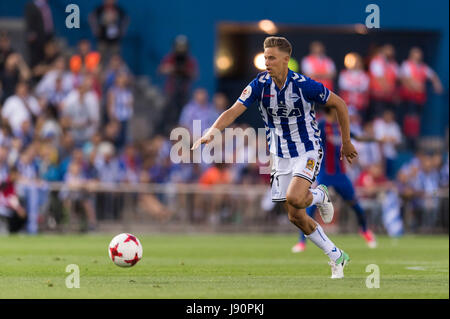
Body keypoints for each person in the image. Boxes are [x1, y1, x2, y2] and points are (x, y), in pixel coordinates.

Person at [192, 36, 358, 279]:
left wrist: (346, 141)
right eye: (265, 57)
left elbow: (340, 104)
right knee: (295, 215)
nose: (266, 62)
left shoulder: (304, 85)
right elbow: (233, 110)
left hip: (307, 149)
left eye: (271, 58)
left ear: (285, 60)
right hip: (279, 155)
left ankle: (320, 194)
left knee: (295, 197)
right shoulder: (259, 84)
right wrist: (211, 132)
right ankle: (336, 255)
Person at [291, 107, 377, 253]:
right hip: (325, 173)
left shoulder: (340, 127)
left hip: (341, 174)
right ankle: (302, 241)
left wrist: (378, 139)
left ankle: (364, 231)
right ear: (332, 111)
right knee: (311, 206)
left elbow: (356, 137)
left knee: (355, 205)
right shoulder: (320, 125)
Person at [399, 47, 443, 150]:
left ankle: (414, 140)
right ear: (411, 55)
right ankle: (409, 142)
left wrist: (437, 84)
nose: (418, 56)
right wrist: (414, 85)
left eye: (419, 54)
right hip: (409, 97)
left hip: (419, 98)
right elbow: (404, 78)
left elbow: (432, 76)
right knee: (410, 118)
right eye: (416, 54)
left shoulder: (423, 67)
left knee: (416, 119)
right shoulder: (406, 65)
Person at [158, 35, 198, 135]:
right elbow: (161, 69)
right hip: (171, 90)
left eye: (183, 46)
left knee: (184, 113)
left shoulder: (189, 60)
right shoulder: (170, 58)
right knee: (167, 112)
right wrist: (172, 69)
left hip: (184, 92)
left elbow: (194, 74)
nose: (181, 49)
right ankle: (165, 132)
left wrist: (185, 71)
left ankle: (182, 133)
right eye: (179, 46)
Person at [89, 0, 129, 64]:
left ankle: (114, 72)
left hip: (115, 40)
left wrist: (122, 30)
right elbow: (91, 17)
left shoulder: (118, 9)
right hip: (102, 39)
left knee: (115, 58)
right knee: (101, 58)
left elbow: (126, 19)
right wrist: (95, 29)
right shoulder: (101, 9)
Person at [24, 0, 54, 68]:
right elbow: (30, 23)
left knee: (45, 60)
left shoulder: (46, 6)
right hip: (36, 40)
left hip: (47, 37)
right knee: (35, 62)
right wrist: (31, 35)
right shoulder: (31, 6)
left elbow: (48, 23)